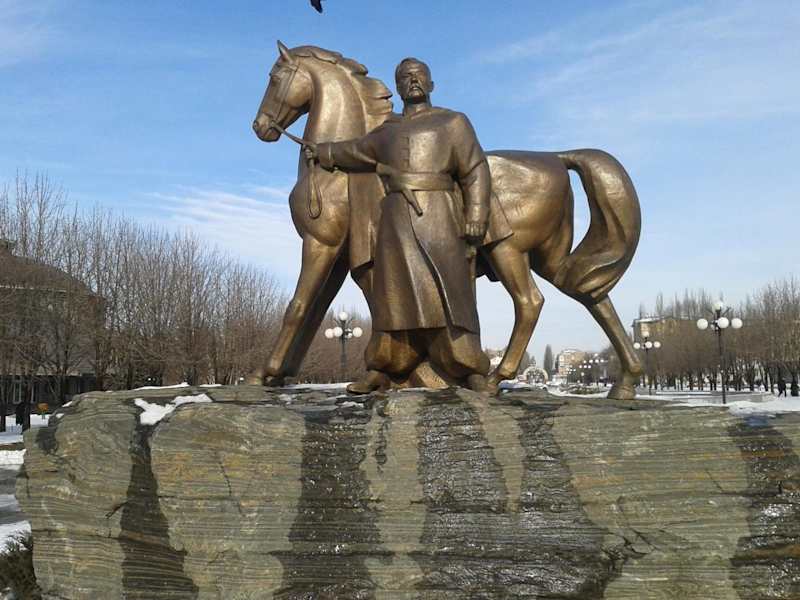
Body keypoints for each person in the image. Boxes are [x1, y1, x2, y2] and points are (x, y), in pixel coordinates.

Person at [308, 57, 504, 393]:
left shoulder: (453, 122)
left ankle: (468, 367)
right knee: (392, 295)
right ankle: (383, 368)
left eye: (419, 75)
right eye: (405, 77)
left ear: (431, 84)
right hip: (396, 220)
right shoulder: (387, 131)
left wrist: (476, 215)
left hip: (441, 215)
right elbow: (355, 151)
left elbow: (475, 169)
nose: (413, 80)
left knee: (451, 293)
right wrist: (322, 150)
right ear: (398, 87)